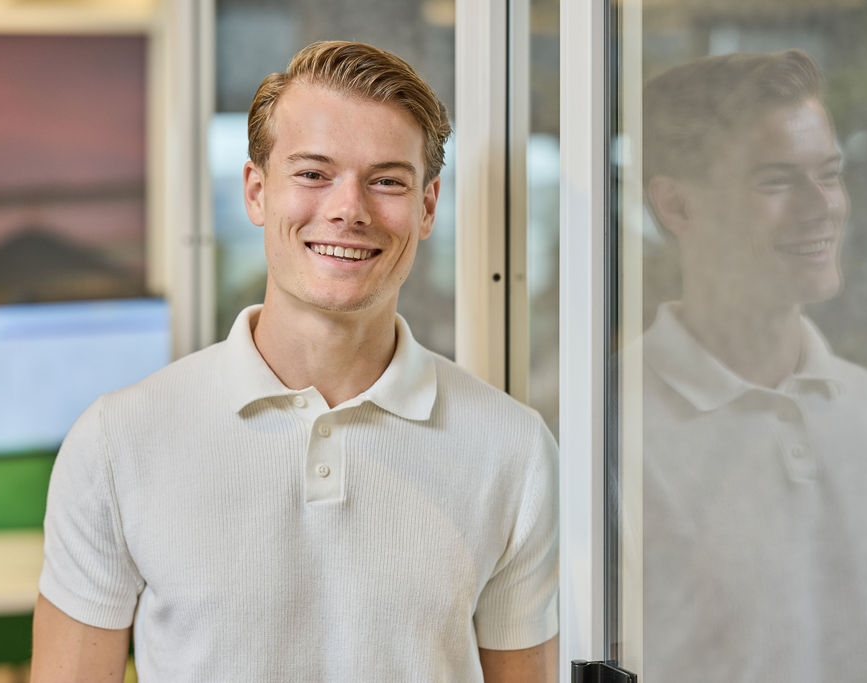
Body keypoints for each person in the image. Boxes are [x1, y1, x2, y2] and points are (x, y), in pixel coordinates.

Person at [30, 41, 558, 682]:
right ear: (257, 192)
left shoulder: (514, 448)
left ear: (426, 208)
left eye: (387, 180)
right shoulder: (118, 441)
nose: (349, 209)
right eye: (312, 173)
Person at [639, 50, 867, 682]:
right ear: (678, 207)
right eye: (776, 181)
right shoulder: (606, 426)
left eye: (829, 173)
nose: (822, 206)